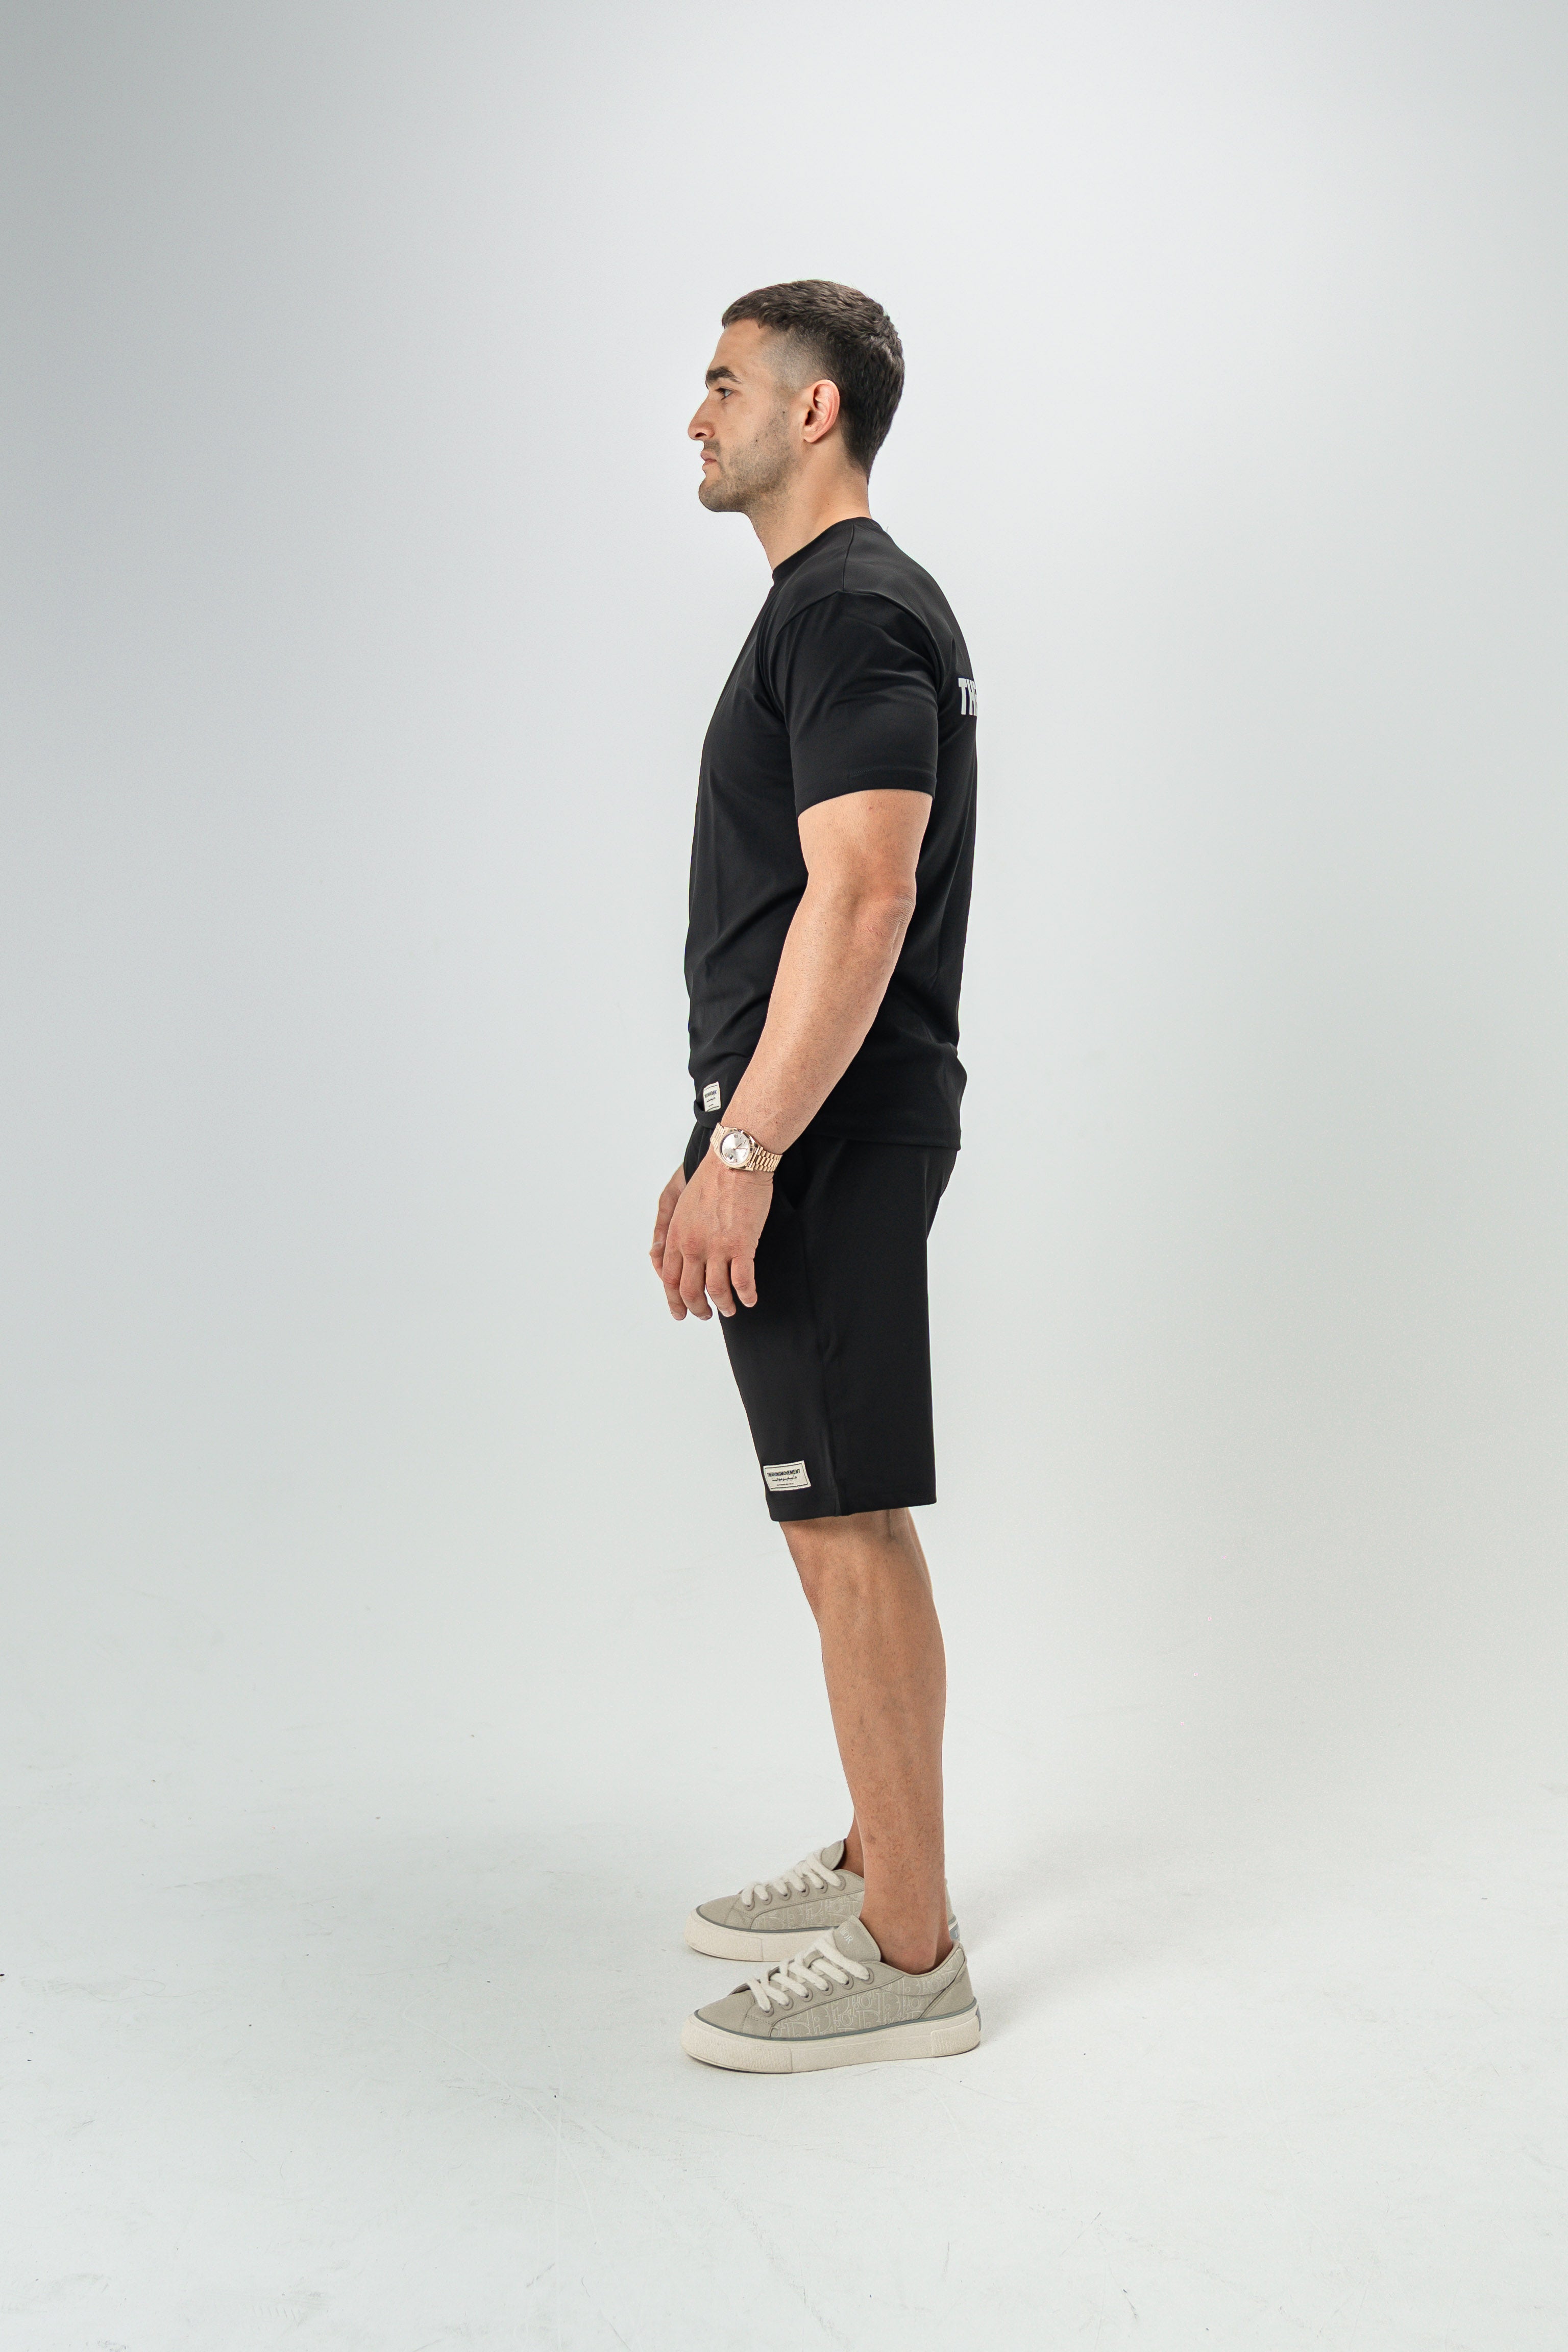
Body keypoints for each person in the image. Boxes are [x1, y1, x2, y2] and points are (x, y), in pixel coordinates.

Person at [650, 281, 981, 2074]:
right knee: (831, 1510)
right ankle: (880, 1852)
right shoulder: (827, 608)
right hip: (804, 1123)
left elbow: (863, 900)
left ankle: (910, 1952)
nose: (698, 417)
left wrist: (750, 1149)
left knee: (847, 1519)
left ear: (816, 409)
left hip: (828, 1134)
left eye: (725, 384)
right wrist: (720, 1133)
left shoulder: (851, 609)